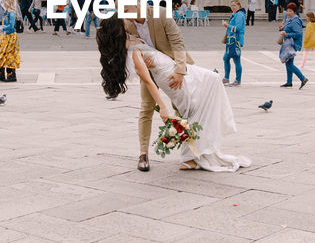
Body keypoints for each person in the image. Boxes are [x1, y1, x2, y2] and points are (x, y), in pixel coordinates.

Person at [98, 16, 250, 173]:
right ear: (119, 28)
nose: (125, 18)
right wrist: (163, 107)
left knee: (205, 93)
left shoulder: (128, 37)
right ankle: (186, 158)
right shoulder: (132, 48)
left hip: (172, 69)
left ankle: (194, 155)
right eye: (121, 19)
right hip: (168, 76)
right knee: (197, 104)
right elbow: (148, 82)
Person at [119, 5, 193, 172]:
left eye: (126, 10)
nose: (124, 15)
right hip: (150, 69)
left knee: (182, 107)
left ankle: (188, 155)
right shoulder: (127, 23)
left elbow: (177, 42)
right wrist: (143, 59)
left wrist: (180, 70)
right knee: (146, 108)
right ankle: (143, 154)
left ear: (137, 5)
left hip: (172, 66)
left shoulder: (161, 14)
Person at [0, 0, 22, 83]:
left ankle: (11, 75)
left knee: (9, 55)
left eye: (5, 3)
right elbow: (4, 22)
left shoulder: (12, 13)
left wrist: (0, 29)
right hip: (3, 36)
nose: (3, 4)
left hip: (10, 36)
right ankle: (0, 74)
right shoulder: (7, 12)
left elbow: (11, 26)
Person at [278, 2, 308, 89]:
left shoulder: (295, 20)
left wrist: (287, 34)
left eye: (290, 11)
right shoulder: (290, 19)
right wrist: (282, 29)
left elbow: (298, 33)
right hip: (289, 43)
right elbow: (288, 29)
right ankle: (289, 82)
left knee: (289, 64)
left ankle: (303, 78)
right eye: (287, 11)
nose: (288, 13)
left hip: (292, 44)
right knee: (288, 62)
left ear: (295, 11)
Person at [222, 0, 245, 85]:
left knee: (235, 59)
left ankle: (236, 80)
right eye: (231, 5)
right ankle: (227, 78)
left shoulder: (239, 15)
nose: (232, 7)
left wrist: (227, 25)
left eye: (234, 5)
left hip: (235, 40)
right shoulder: (236, 14)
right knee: (227, 58)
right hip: (231, 39)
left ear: (239, 6)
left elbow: (238, 28)